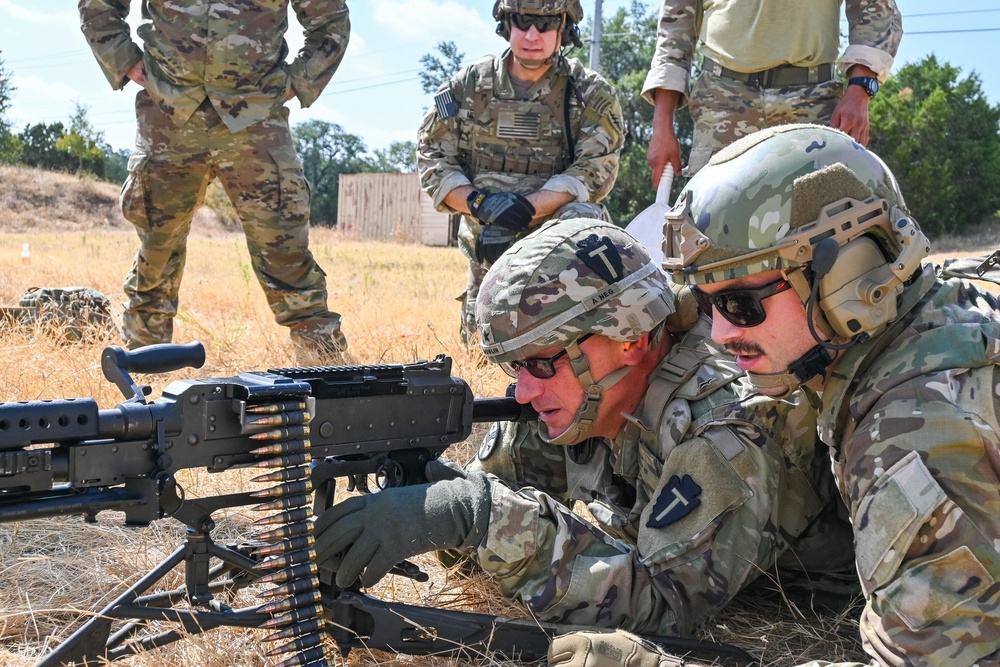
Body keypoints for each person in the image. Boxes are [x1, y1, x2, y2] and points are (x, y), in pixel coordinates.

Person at [553, 124, 1000, 665]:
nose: (719, 332)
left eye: (740, 304)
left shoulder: (912, 431)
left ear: (850, 276)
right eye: (705, 300)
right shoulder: (928, 319)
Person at [314, 217, 842, 637]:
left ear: (630, 338)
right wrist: (431, 497)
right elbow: (480, 538)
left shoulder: (727, 428)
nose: (523, 390)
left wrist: (471, 513)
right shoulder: (580, 398)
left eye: (542, 362)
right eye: (513, 366)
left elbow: (666, 610)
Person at [78, 0, 351, 364]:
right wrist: (123, 58)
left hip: (256, 119)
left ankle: (328, 372)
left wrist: (297, 81)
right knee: (157, 250)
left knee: (285, 252)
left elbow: (329, 18)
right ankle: (142, 382)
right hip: (169, 115)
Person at [417, 0, 625, 347]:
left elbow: (595, 169)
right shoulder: (466, 86)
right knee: (483, 349)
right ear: (505, 25)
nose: (532, 34)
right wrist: (482, 204)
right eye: (522, 21)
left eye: (544, 24)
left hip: (556, 234)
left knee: (583, 218)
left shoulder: (590, 92)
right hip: (486, 234)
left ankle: (578, 331)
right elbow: (432, 157)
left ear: (564, 28)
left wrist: (526, 209)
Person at [641, 0, 902, 183]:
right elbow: (676, 27)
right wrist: (662, 125)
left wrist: (861, 88)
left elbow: (875, 9)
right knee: (713, 235)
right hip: (721, 102)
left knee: (824, 233)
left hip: (812, 99)